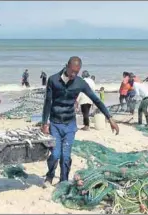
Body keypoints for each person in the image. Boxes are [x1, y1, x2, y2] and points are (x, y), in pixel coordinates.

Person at [41, 56, 119, 186]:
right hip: (55, 123)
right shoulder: (53, 80)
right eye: (71, 71)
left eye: (76, 72)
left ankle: (63, 181)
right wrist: (44, 123)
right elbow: (47, 102)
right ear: (66, 66)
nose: (73, 74)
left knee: (66, 156)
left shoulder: (80, 83)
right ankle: (49, 175)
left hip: (70, 124)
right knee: (55, 155)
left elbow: (96, 100)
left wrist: (109, 118)